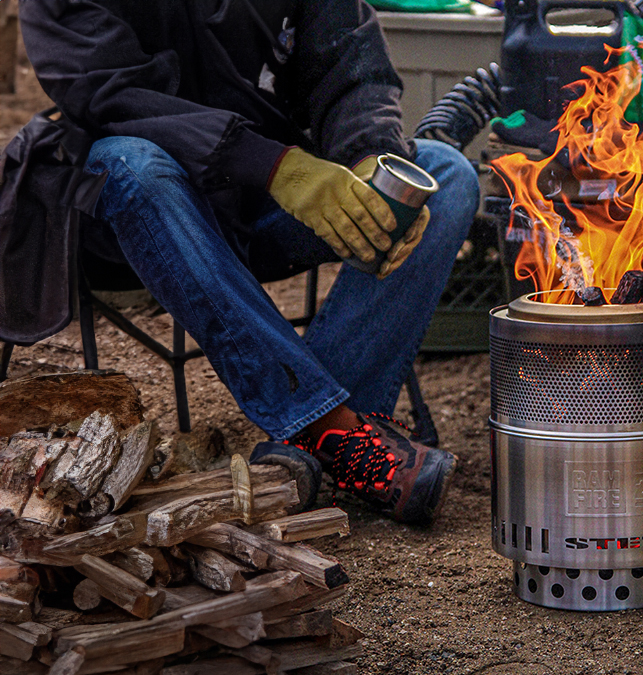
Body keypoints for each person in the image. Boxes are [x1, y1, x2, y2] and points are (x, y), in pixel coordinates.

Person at [16, 0, 478, 525]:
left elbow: (352, 64)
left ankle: (319, 441)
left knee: (447, 176)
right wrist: (278, 167)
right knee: (131, 161)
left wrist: (367, 154)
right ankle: (331, 428)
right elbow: (112, 95)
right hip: (136, 223)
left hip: (257, 207)